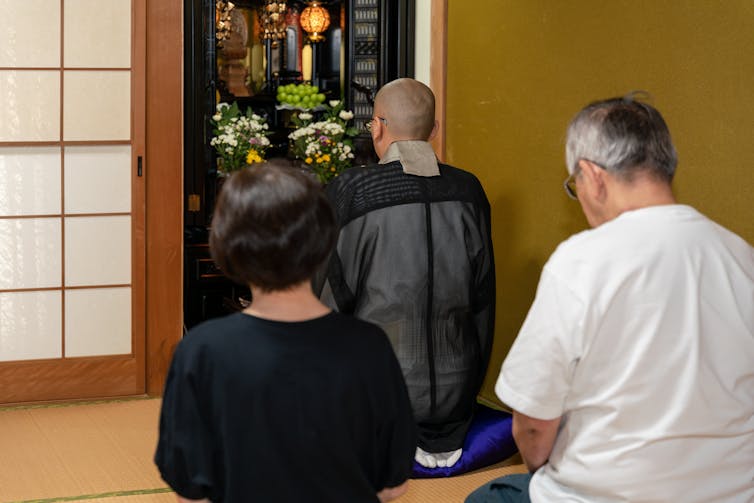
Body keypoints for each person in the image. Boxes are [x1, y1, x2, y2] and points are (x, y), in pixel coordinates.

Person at [467, 94, 754, 502]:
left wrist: (543, 473)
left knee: (489, 496)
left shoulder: (582, 261)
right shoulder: (740, 257)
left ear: (592, 175)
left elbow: (531, 424)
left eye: (575, 184)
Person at [155, 161, 417, 502]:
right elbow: (392, 484)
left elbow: (190, 488)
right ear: (325, 240)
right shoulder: (369, 345)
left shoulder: (201, 350)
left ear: (225, 245)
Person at [315, 78, 496, 469]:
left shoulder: (353, 190)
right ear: (433, 130)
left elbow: (327, 300)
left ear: (377, 126)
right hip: (456, 398)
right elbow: (483, 303)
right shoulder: (469, 191)